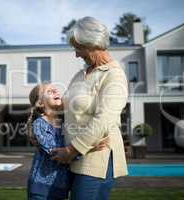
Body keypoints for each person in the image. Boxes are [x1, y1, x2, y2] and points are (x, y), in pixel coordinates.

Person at [51, 16, 129, 200]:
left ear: (92, 43)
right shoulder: (81, 74)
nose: (76, 54)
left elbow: (104, 120)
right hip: (73, 159)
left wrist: (71, 150)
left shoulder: (114, 75)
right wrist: (37, 116)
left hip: (96, 159)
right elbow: (65, 105)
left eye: (78, 48)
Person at [26, 83, 108, 200]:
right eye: (49, 91)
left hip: (61, 187)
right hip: (41, 187)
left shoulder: (64, 122)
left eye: (56, 89)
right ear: (40, 103)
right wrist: (89, 147)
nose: (55, 91)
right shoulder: (40, 123)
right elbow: (56, 153)